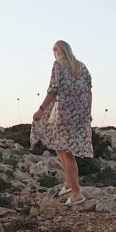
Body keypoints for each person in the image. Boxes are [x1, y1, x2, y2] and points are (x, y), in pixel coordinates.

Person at [30, 40, 93, 206]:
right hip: (80, 114)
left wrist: (41, 109)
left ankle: (77, 193)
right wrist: (88, 113)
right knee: (59, 145)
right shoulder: (82, 66)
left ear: (61, 50)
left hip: (64, 114)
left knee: (67, 152)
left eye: (54, 49)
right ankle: (68, 183)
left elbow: (53, 89)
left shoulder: (58, 65)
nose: (53, 52)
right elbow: (89, 91)